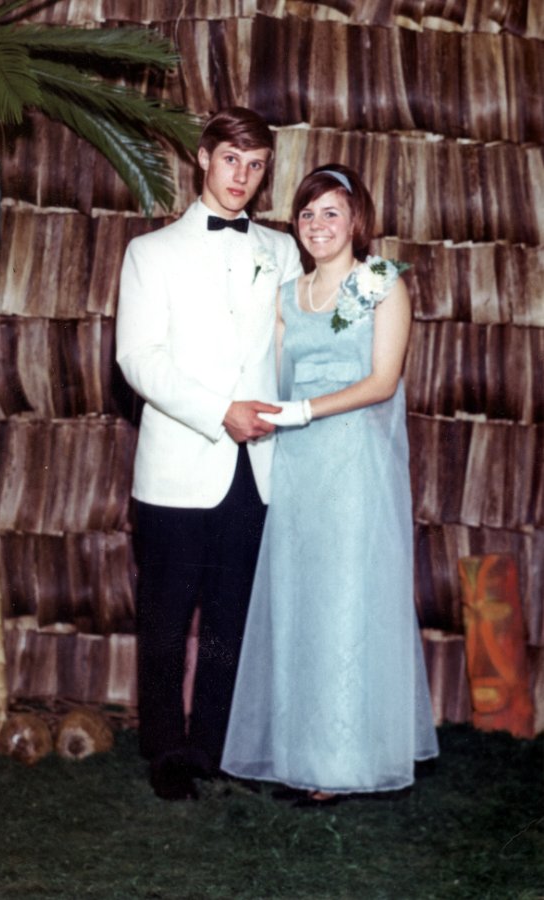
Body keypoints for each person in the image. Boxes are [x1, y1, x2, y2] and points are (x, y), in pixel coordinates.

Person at [221, 164, 439, 805]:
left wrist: (305, 411)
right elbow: (273, 373)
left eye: (331, 213)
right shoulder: (290, 293)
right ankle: (300, 753)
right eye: (308, 214)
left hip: (353, 464)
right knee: (300, 602)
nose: (318, 225)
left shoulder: (378, 282)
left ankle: (340, 763)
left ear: (355, 219)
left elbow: (382, 382)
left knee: (345, 605)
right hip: (299, 467)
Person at [116, 107, 302, 800]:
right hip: (177, 468)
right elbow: (138, 358)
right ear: (203, 157)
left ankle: (217, 746)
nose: (242, 177)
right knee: (166, 620)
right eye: (231, 160)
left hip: (258, 471)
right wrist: (219, 410)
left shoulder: (283, 251)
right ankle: (167, 750)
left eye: (256, 166)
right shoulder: (151, 253)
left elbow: (297, 344)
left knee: (231, 620)